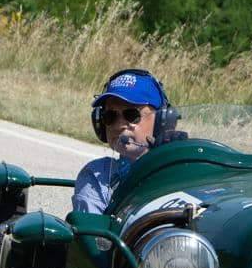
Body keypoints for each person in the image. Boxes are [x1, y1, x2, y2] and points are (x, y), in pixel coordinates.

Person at [73, 69, 182, 215]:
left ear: (163, 121)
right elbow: (91, 235)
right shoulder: (98, 176)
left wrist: (180, 160)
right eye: (110, 116)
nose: (118, 126)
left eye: (131, 115)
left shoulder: (182, 169)